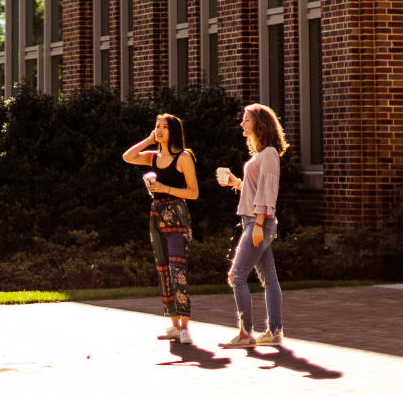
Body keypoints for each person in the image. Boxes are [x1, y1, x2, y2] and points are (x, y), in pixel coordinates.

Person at [215, 102, 289, 347]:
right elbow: (256, 189)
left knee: (236, 276)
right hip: (256, 221)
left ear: (259, 123)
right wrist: (236, 183)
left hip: (258, 223)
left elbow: (268, 192)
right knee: (269, 277)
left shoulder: (268, 154)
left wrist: (258, 223)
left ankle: (246, 333)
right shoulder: (262, 154)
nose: (242, 123)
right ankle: (275, 332)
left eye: (246, 119)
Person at [123, 113, 199, 343]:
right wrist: (148, 140)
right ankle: (174, 324)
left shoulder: (184, 157)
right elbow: (128, 157)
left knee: (178, 270)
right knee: (163, 269)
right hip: (156, 217)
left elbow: (193, 193)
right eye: (157, 126)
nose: (159, 130)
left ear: (173, 131)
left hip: (176, 217)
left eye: (164, 127)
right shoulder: (153, 158)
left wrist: (164, 187)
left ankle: (185, 326)